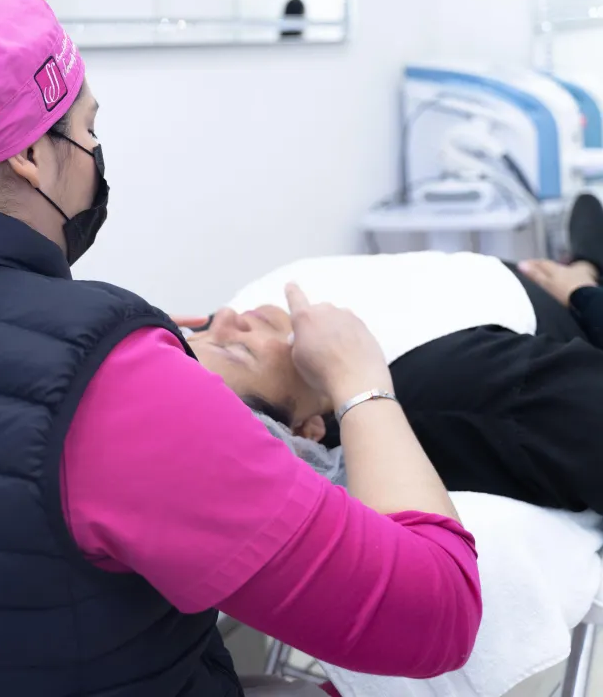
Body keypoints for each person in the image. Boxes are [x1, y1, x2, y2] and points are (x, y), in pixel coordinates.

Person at [0, 0, 481, 697]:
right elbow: (438, 614)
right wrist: (361, 382)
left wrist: (148, 354)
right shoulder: (113, 392)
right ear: (31, 157)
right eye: (89, 130)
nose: (95, 151)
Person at [177, 191, 603, 516]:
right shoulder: (464, 396)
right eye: (236, 348)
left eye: (200, 329)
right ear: (305, 432)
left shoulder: (253, 359)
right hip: (561, 310)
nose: (230, 316)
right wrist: (583, 295)